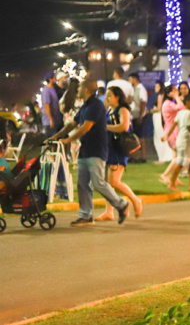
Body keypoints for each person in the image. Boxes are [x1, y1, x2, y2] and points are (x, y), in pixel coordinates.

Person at [49, 80, 129, 226]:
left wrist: (68, 140)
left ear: (86, 90)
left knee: (98, 183)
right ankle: (86, 216)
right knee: (82, 184)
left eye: (80, 87)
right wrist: (56, 136)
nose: (78, 89)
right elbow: (72, 124)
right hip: (85, 150)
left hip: (96, 150)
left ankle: (121, 204)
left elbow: (86, 127)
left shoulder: (96, 105)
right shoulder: (85, 106)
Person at [97, 87, 143, 220]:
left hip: (119, 148)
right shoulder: (110, 110)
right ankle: (109, 212)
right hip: (110, 148)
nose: (106, 98)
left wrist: (105, 127)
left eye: (109, 96)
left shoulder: (122, 109)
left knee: (114, 181)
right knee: (109, 183)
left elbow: (124, 127)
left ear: (117, 97)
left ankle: (135, 200)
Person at [161, 94, 190, 193]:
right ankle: (172, 184)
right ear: (188, 102)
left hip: (185, 141)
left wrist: (167, 135)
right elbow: (189, 128)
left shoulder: (181, 113)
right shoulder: (188, 114)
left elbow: (173, 125)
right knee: (180, 163)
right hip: (185, 141)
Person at [159, 85, 184, 185]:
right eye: (175, 90)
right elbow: (182, 108)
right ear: (169, 93)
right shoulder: (168, 104)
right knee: (180, 156)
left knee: (175, 156)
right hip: (172, 131)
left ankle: (175, 178)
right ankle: (165, 174)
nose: (177, 91)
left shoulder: (168, 103)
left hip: (172, 130)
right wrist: (177, 97)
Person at [150, 81, 172, 164]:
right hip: (159, 117)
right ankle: (164, 156)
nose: (155, 88)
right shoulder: (163, 96)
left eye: (157, 86)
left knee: (159, 135)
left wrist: (151, 110)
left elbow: (159, 108)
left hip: (158, 117)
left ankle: (162, 157)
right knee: (160, 135)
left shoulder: (160, 96)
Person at [128, 73, 148, 162]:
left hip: (139, 116)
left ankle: (142, 157)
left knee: (139, 137)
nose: (129, 81)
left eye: (130, 79)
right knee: (135, 137)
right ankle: (134, 156)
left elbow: (143, 103)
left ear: (135, 79)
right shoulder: (134, 89)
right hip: (135, 115)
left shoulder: (140, 89)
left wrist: (140, 116)